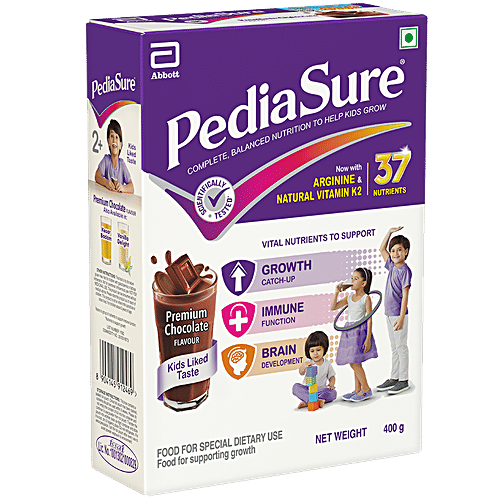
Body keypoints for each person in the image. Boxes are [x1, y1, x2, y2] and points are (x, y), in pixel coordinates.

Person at [331, 267, 378, 402]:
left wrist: (368, 338)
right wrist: (337, 292)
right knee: (355, 361)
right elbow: (333, 307)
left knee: (354, 363)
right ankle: (358, 390)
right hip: (348, 331)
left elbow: (369, 318)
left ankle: (366, 389)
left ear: (363, 283)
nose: (352, 281)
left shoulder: (366, 298)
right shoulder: (349, 298)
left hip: (359, 331)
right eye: (351, 278)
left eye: (355, 279)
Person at [376, 227, 412, 395]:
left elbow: (405, 295)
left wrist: (401, 317)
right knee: (394, 347)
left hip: (398, 315)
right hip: (388, 314)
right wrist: (389, 232)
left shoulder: (405, 271)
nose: (395, 253)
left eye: (399, 250)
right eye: (393, 250)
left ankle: (403, 380)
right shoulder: (391, 266)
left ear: (406, 251)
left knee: (401, 347)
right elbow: (381, 249)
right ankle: (394, 377)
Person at [292, 331, 337, 409]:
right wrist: (304, 366)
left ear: (324, 349)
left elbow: (332, 376)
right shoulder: (308, 361)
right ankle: (312, 400)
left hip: (320, 390)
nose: (315, 353)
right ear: (308, 351)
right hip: (307, 389)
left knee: (333, 393)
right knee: (295, 387)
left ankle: (310, 401)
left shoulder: (327, 364)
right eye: (312, 351)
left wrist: (331, 383)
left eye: (318, 350)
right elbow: (301, 372)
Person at [95, 119, 134, 194]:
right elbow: (97, 176)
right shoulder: (106, 159)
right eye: (112, 136)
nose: (114, 140)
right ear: (108, 141)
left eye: (117, 137)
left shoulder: (121, 164)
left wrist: (123, 188)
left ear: (120, 144)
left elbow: (132, 187)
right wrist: (106, 182)